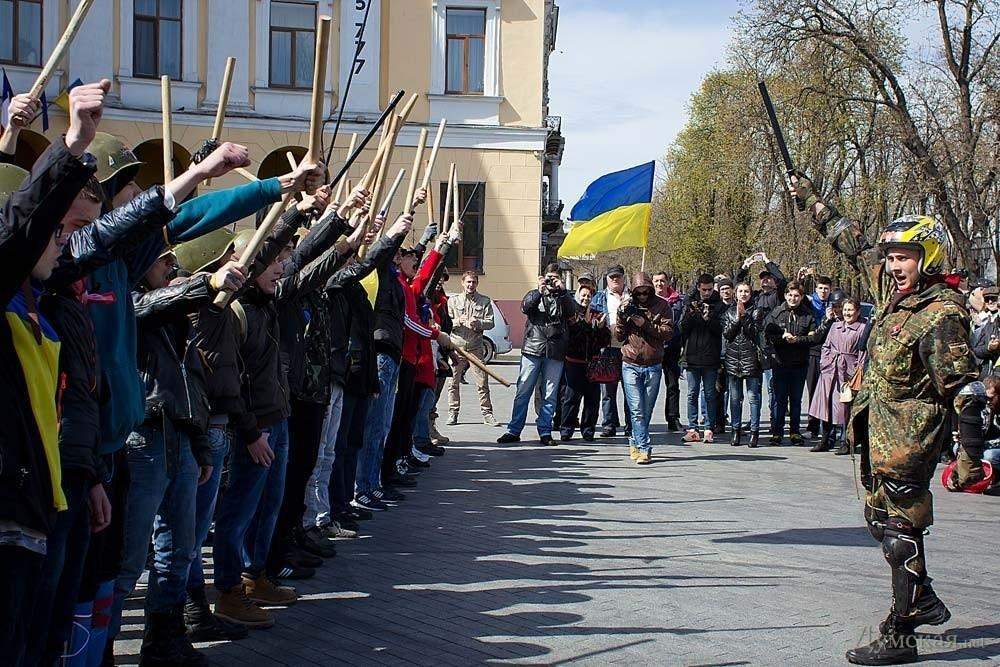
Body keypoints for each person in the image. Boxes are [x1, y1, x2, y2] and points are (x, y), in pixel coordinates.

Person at [789, 173, 985, 665]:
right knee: (882, 524)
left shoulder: (940, 314)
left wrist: (970, 457)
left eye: (905, 257)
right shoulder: (897, 293)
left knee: (901, 534)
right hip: (877, 436)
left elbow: (965, 389)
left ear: (928, 258)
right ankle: (921, 598)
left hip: (911, 441)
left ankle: (902, 632)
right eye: (892, 257)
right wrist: (809, 196)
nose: (894, 265)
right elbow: (853, 245)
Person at [0, 79, 109, 664]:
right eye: (53, 232)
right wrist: (67, 147)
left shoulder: (37, 312)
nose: (60, 241)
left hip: (39, 501)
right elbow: (19, 224)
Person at [498, 263, 576, 446]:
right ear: (542, 278)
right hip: (533, 348)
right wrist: (539, 291)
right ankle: (514, 430)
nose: (551, 282)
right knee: (523, 390)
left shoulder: (564, 296)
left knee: (550, 394)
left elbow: (572, 312)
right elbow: (525, 307)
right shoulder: (535, 293)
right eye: (548, 277)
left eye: (554, 278)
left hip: (555, 350)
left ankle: (545, 431)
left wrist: (563, 291)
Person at [615, 273, 673, 464]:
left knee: (646, 409)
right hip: (630, 362)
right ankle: (644, 447)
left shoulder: (662, 305)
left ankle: (634, 439)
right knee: (637, 408)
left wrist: (646, 324)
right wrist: (622, 316)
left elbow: (668, 333)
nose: (641, 296)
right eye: (638, 293)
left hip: (653, 364)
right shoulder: (628, 304)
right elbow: (619, 336)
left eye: (645, 293)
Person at [761, 281, 827, 446]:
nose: (793, 298)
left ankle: (795, 432)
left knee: (796, 400)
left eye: (797, 295)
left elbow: (813, 338)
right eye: (790, 295)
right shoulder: (776, 313)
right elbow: (767, 336)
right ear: (785, 295)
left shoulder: (808, 314)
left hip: (800, 363)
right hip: (780, 363)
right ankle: (777, 432)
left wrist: (797, 339)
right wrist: (781, 338)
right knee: (779, 399)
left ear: (802, 297)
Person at [808, 298, 868, 453]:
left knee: (844, 409)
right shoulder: (835, 326)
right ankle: (825, 439)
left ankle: (846, 442)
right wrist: (825, 363)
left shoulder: (862, 328)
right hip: (830, 371)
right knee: (826, 406)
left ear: (858, 311)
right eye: (845, 310)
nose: (847, 313)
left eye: (851, 310)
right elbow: (826, 346)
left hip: (847, 373)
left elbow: (863, 353)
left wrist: (857, 370)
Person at [737, 253, 789, 420]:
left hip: (772, 347)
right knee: (754, 389)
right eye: (763, 278)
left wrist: (767, 262)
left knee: (773, 387)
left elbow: (783, 281)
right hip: (755, 347)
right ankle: (755, 421)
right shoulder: (756, 297)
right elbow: (737, 287)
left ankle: (775, 419)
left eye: (769, 278)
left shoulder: (778, 296)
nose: (766, 280)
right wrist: (745, 266)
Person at [559, 283, 611, 441]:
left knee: (592, 399)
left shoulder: (597, 314)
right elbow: (573, 337)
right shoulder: (572, 314)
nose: (586, 298)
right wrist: (587, 325)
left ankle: (588, 430)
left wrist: (601, 328)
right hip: (574, 362)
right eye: (583, 295)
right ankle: (566, 429)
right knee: (571, 397)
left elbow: (604, 341)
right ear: (577, 296)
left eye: (589, 296)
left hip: (593, 362)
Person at [447, 271, 497, 426]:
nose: (471, 285)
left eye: (473, 282)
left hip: (475, 347)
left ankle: (487, 414)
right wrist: (457, 321)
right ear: (462, 283)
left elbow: (491, 323)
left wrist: (479, 323)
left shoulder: (484, 301)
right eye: (468, 282)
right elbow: (446, 322)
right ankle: (453, 413)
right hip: (457, 346)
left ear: (477, 283)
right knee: (453, 382)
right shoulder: (453, 301)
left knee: (482, 382)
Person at [680, 273, 724, 443]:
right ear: (698, 287)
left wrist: (709, 319)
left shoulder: (719, 305)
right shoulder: (690, 304)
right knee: (692, 393)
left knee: (710, 393)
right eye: (704, 289)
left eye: (710, 289)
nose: (707, 292)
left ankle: (708, 427)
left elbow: (721, 330)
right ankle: (692, 428)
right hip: (691, 356)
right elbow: (682, 328)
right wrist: (692, 314)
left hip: (710, 357)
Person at [722, 282, 764, 447]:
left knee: (753, 397)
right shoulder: (729, 311)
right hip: (733, 359)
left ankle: (754, 431)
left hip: (751, 357)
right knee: (735, 398)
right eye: (740, 291)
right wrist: (737, 318)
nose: (743, 294)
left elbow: (754, 332)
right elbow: (727, 333)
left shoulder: (756, 311)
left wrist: (745, 316)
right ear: (735, 293)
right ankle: (735, 430)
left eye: (746, 291)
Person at [590, 265, 630, 437]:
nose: (615, 280)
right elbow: (590, 321)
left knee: (630, 390)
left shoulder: (632, 297)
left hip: (628, 348)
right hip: (607, 349)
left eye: (618, 277)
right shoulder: (599, 298)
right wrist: (597, 325)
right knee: (607, 390)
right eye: (612, 277)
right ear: (606, 279)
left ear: (623, 278)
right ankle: (609, 424)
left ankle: (631, 425)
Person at [653, 272, 683, 431]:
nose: (659, 284)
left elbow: (680, 324)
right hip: (653, 349)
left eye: (662, 281)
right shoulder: (648, 301)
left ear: (668, 283)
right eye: (656, 281)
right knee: (650, 386)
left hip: (672, 349)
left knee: (672, 385)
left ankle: (673, 417)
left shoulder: (678, 302)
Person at [805, 275, 834, 438]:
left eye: (826, 288)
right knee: (813, 390)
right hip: (813, 351)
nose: (823, 291)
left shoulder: (834, 304)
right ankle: (813, 426)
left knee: (830, 392)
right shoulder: (810, 304)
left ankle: (830, 427)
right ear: (816, 289)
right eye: (821, 288)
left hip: (831, 353)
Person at [971, 286, 998, 377]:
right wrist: (988, 348)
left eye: (994, 299)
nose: (990, 302)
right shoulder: (988, 322)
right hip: (990, 372)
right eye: (987, 299)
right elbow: (977, 349)